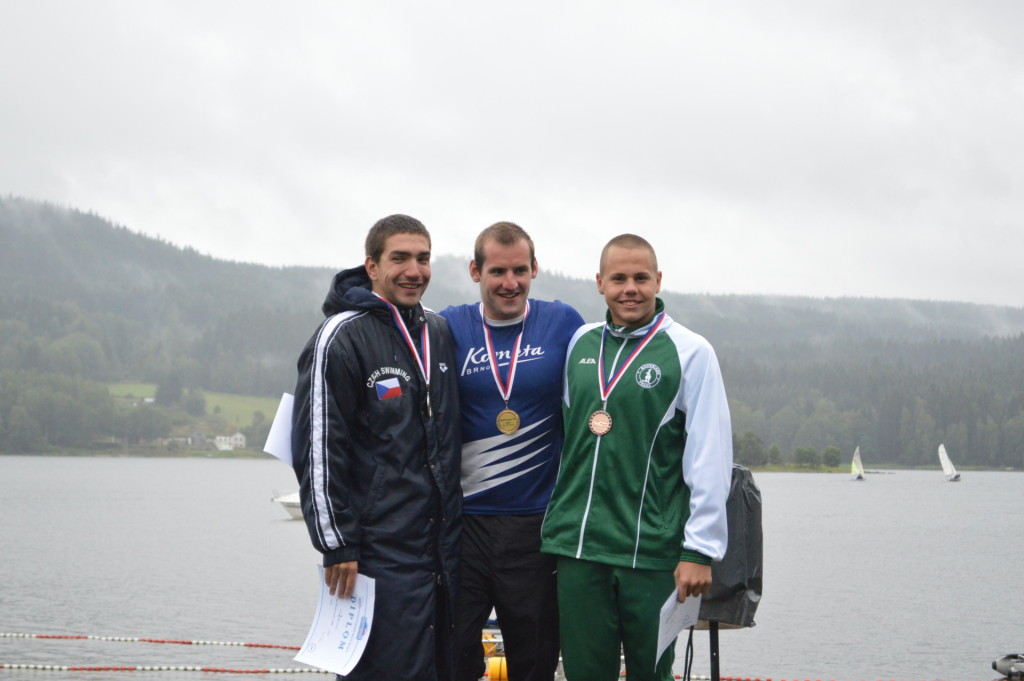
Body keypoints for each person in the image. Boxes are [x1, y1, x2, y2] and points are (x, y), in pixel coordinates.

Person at [540, 234, 733, 681]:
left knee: (652, 675)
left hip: (650, 553)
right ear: (600, 283)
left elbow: (710, 455)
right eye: (619, 279)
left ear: (658, 281)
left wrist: (700, 549)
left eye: (641, 278)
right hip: (578, 548)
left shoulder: (691, 352)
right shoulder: (580, 343)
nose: (630, 289)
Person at [291, 214, 462, 681]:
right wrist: (337, 542)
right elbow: (318, 446)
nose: (414, 271)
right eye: (399, 258)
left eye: (423, 259)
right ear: (371, 266)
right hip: (376, 556)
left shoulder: (438, 331)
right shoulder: (340, 336)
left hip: (440, 553)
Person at [439, 221, 584, 681]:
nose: (510, 282)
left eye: (520, 270)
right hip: (464, 525)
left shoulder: (563, 322)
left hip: (536, 527)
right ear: (475, 271)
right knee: (452, 657)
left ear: (535, 269)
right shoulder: (448, 326)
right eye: (497, 271)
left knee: (534, 663)